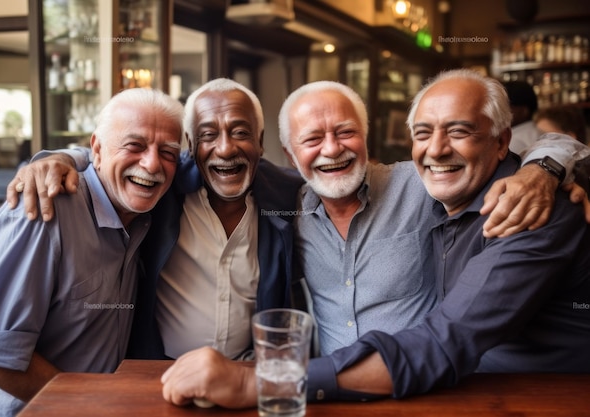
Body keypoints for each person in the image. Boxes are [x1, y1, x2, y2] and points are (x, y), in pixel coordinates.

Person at [158, 77, 590, 409]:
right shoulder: (289, 198)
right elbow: (133, 161)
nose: (331, 150)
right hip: (333, 397)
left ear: (367, 140)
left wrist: (544, 170)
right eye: (311, 140)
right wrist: (86, 162)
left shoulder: (430, 186)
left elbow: (446, 340)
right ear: (290, 158)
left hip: (441, 392)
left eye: (345, 132)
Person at [4, 78, 303, 362]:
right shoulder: (162, 186)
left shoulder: (286, 193)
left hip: (246, 372)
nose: (225, 149)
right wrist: (62, 158)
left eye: (240, 133)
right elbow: (117, 158)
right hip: (156, 372)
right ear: (190, 144)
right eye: (209, 135)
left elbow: (325, 178)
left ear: (260, 142)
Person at [0, 87, 184, 416]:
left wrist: (67, 155)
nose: (152, 163)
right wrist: (88, 403)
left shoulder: (140, 218)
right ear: (97, 149)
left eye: (168, 152)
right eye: (134, 145)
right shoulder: (43, 209)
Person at [503, 80, 541, 156]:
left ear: (524, 111)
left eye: (505, 107)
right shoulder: (540, 133)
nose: (500, 112)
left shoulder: (512, 142)